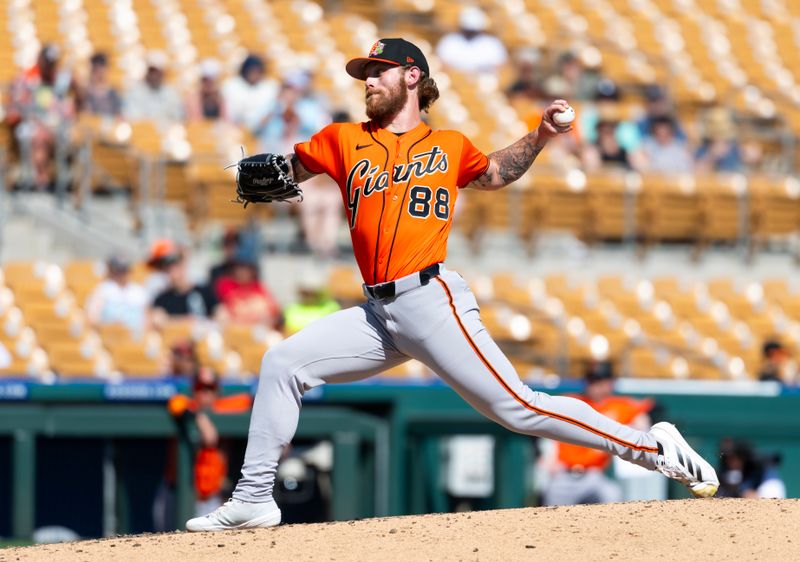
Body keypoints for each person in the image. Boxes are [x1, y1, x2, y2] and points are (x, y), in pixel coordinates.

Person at [186, 37, 719, 532]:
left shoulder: (448, 145)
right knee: (282, 364)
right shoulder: (342, 139)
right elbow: (283, 171)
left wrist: (539, 136)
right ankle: (254, 497)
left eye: (378, 71)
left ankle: (651, 448)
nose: (368, 81)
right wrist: (256, 173)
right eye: (364, 74)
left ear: (411, 77)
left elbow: (494, 174)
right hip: (377, 315)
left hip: (430, 300)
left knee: (519, 408)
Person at [539, 360, 655, 505]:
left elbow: (650, 412)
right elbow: (543, 423)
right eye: (592, 381)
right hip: (563, 473)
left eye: (600, 381)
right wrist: (544, 454)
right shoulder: (572, 401)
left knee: (612, 495)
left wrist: (638, 424)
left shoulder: (619, 406)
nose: (596, 386)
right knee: (551, 508)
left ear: (610, 383)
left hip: (594, 475)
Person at [84, 255, 150, 337]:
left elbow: (146, 322)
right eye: (118, 270)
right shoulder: (103, 289)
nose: (121, 274)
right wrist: (112, 327)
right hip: (108, 337)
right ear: (111, 271)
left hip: (134, 339)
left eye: (124, 270)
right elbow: (91, 318)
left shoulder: (139, 291)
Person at [435, 6, 508, 76]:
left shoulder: (492, 43)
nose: (470, 33)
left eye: (473, 31)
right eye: (468, 30)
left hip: (485, 82)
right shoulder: (450, 41)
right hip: (454, 82)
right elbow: (442, 64)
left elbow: (500, 66)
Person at [214, 259, 282, 329]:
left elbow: (273, 307)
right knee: (221, 312)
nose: (242, 272)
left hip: (254, 321)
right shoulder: (226, 283)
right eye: (239, 269)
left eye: (246, 269)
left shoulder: (258, 286)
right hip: (235, 318)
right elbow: (231, 303)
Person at [123, 50, 184, 123]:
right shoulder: (134, 92)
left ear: (162, 73)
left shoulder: (171, 93)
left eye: (157, 71)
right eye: (151, 71)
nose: (154, 75)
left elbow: (178, 117)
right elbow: (134, 117)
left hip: (166, 132)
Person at [82, 52, 122, 117]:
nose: (98, 74)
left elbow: (119, 115)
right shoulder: (85, 94)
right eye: (95, 70)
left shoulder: (113, 93)